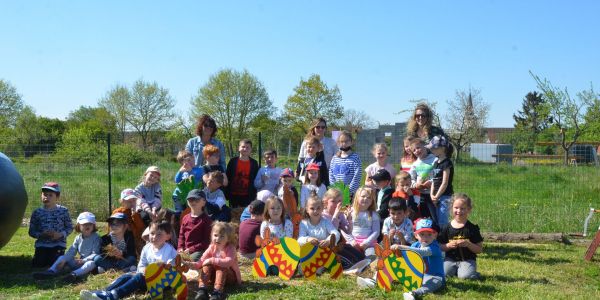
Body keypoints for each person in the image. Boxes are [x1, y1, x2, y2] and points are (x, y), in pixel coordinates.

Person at [80, 221, 177, 300]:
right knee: (127, 276)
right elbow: (142, 264)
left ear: (168, 236)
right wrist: (142, 270)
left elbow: (172, 266)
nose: (154, 237)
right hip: (146, 277)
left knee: (138, 277)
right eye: (152, 233)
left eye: (159, 234)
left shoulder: (169, 250)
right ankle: (104, 292)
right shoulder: (147, 248)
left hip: (161, 283)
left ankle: (114, 295)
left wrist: (164, 266)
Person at [33, 212, 100, 281]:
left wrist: (84, 260)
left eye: (90, 224)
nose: (87, 226)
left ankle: (73, 275)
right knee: (62, 257)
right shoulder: (78, 238)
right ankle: (51, 271)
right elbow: (72, 251)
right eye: (84, 224)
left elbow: (95, 253)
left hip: (87, 262)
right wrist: (65, 260)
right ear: (79, 226)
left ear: (93, 226)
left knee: (91, 263)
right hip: (78, 262)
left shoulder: (96, 237)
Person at [186, 222, 241, 300]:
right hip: (214, 277)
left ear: (228, 238)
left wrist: (212, 260)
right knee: (206, 264)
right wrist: (191, 264)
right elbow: (201, 261)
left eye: (222, 236)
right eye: (215, 235)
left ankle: (217, 292)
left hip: (229, 278)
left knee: (221, 266)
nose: (217, 239)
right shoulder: (212, 247)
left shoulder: (231, 248)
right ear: (211, 235)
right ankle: (202, 289)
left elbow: (228, 261)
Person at [438, 193, 483, 280]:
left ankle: (473, 273)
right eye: (456, 208)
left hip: (467, 259)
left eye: (462, 208)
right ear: (451, 208)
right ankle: (459, 270)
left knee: (464, 277)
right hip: (450, 259)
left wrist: (468, 244)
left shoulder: (472, 228)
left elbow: (479, 250)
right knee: (444, 274)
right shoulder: (446, 227)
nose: (459, 211)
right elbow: (439, 246)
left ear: (469, 210)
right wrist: (448, 246)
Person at [29, 182, 73, 268]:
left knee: (54, 263)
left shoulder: (63, 211)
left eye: (50, 195)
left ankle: (64, 260)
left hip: (58, 245)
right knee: (39, 264)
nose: (46, 197)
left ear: (57, 197)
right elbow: (31, 231)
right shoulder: (37, 212)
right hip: (42, 244)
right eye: (44, 194)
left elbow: (70, 227)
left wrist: (60, 234)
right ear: (41, 195)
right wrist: (41, 235)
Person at [399, 218, 445, 300]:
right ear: (416, 235)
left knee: (434, 283)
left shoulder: (435, 247)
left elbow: (422, 252)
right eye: (422, 234)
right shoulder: (415, 245)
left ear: (435, 235)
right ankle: (377, 279)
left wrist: (401, 247)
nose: (425, 237)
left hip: (435, 277)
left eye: (429, 234)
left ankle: (415, 293)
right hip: (419, 275)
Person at [342, 187, 380, 258]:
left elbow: (376, 231)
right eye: (363, 196)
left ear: (372, 200)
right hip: (352, 243)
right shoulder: (350, 212)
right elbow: (343, 229)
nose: (365, 199)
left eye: (369, 198)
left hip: (369, 244)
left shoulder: (373, 214)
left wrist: (366, 243)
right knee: (350, 257)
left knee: (371, 257)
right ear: (357, 197)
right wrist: (352, 242)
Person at [178, 189, 212, 262]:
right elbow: (181, 236)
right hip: (185, 250)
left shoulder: (206, 220)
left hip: (199, 250)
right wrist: (180, 248)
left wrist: (191, 249)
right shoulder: (185, 218)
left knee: (191, 261)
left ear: (204, 202)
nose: (193, 202)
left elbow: (206, 241)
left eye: (196, 200)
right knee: (174, 261)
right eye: (190, 200)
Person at [409, 138, 437, 223]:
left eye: (418, 147)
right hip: (421, 195)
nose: (416, 151)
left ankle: (437, 234)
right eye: (414, 150)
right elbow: (411, 179)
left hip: (433, 194)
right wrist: (415, 185)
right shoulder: (415, 164)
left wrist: (431, 182)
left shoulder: (434, 160)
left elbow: (440, 175)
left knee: (435, 217)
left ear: (425, 146)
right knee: (424, 217)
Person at [225, 139, 259, 208]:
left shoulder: (254, 163)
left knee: (246, 214)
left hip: (248, 195)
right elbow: (228, 176)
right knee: (234, 214)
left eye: (247, 147)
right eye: (243, 147)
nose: (245, 149)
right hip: (233, 194)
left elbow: (256, 178)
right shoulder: (233, 161)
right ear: (239, 148)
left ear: (251, 149)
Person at [429, 135, 455, 227]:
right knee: (436, 220)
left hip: (445, 197)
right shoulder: (435, 163)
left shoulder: (447, 163)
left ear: (442, 148)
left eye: (434, 148)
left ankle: (444, 240)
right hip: (435, 197)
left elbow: (445, 182)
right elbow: (433, 180)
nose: (431, 149)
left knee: (443, 221)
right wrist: (432, 195)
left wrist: (437, 196)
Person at [329, 130, 362, 198]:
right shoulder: (335, 158)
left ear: (351, 142)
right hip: (336, 193)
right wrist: (335, 189)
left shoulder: (355, 157)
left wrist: (349, 191)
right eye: (341, 141)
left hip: (350, 194)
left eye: (346, 141)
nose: (344, 143)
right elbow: (331, 173)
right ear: (338, 142)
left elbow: (357, 175)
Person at [112, 188, 145, 256]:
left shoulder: (137, 212)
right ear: (121, 201)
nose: (131, 203)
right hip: (122, 239)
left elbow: (140, 227)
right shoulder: (117, 212)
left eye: (133, 200)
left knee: (141, 247)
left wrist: (135, 215)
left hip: (136, 238)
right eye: (129, 201)